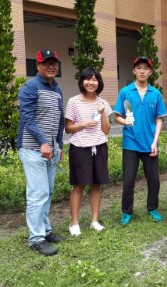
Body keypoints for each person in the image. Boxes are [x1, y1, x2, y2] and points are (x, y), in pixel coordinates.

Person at [17, 49, 64, 256]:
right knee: (38, 193)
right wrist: (43, 142)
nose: (51, 66)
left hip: (50, 150)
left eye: (54, 63)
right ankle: (36, 239)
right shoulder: (30, 87)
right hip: (32, 149)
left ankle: (45, 231)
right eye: (46, 63)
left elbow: (59, 120)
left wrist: (59, 145)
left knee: (48, 191)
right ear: (37, 66)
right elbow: (27, 118)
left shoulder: (57, 90)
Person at [114, 56, 167, 225]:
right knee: (129, 179)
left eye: (145, 68)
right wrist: (125, 121)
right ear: (134, 70)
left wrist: (155, 141)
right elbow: (117, 116)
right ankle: (127, 211)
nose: (142, 71)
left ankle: (152, 208)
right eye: (139, 68)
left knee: (153, 179)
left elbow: (160, 119)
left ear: (150, 72)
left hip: (150, 143)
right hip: (130, 142)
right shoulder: (126, 92)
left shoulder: (156, 93)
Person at [64, 67, 112, 236]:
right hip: (80, 148)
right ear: (82, 82)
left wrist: (103, 113)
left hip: (99, 146)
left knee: (96, 185)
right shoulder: (73, 102)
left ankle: (94, 220)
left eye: (94, 79)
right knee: (78, 185)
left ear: (98, 82)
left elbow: (106, 130)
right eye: (87, 79)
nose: (91, 82)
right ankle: (74, 222)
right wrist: (83, 124)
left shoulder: (103, 103)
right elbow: (68, 128)